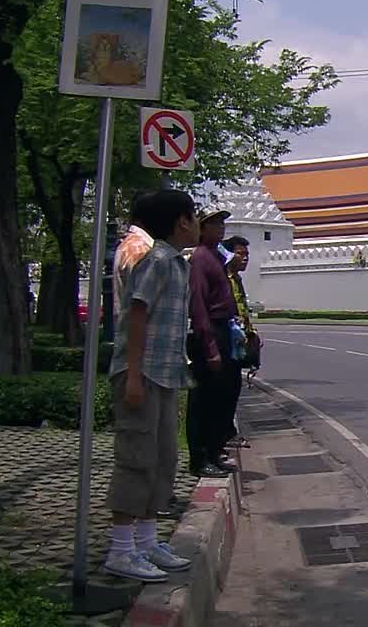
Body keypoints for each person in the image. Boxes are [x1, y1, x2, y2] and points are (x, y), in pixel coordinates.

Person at [103, 189, 198, 583]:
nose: (197, 224)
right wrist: (134, 376)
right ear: (181, 221)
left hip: (165, 372)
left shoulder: (178, 264)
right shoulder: (156, 260)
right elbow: (137, 317)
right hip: (140, 373)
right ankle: (121, 550)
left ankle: (146, 541)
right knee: (136, 459)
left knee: (161, 459)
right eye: (194, 217)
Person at [186, 208, 239, 478]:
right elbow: (198, 308)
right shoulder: (200, 259)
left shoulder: (217, 257)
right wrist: (210, 348)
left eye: (222, 223)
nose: (221, 228)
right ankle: (200, 458)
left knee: (220, 397)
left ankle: (214, 451)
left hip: (223, 329)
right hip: (210, 331)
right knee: (203, 400)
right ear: (201, 228)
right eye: (214, 224)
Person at [222, 235, 260, 449]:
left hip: (238, 343)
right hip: (227, 343)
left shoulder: (236, 279)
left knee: (233, 388)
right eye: (240, 253)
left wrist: (251, 332)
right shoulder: (223, 279)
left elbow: (241, 310)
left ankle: (227, 433)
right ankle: (224, 435)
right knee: (225, 390)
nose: (245, 258)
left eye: (247, 254)